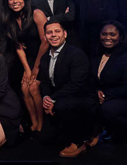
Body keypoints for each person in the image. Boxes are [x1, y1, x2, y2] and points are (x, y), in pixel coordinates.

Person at [38, 20, 96, 158]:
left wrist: (53, 99)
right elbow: (45, 83)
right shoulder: (45, 57)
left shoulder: (76, 54)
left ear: (65, 34)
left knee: (62, 105)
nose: (53, 35)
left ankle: (80, 142)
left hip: (81, 99)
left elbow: (75, 85)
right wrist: (46, 97)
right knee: (45, 139)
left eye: (57, 31)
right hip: (60, 99)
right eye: (49, 32)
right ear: (45, 37)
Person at [2, 0, 44, 133]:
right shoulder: (9, 19)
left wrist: (36, 67)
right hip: (26, 59)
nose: (15, 1)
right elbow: (18, 46)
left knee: (33, 87)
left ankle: (41, 124)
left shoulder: (37, 14)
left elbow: (45, 42)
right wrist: (27, 69)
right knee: (24, 88)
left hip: (42, 57)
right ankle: (33, 123)